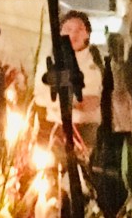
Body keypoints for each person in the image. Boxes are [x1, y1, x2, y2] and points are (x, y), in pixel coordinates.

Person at [41, 9, 105, 149]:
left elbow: (91, 101)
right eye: (68, 29)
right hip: (55, 128)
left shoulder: (94, 63)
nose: (74, 34)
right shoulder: (49, 61)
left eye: (79, 29)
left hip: (87, 130)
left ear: (87, 34)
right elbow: (41, 96)